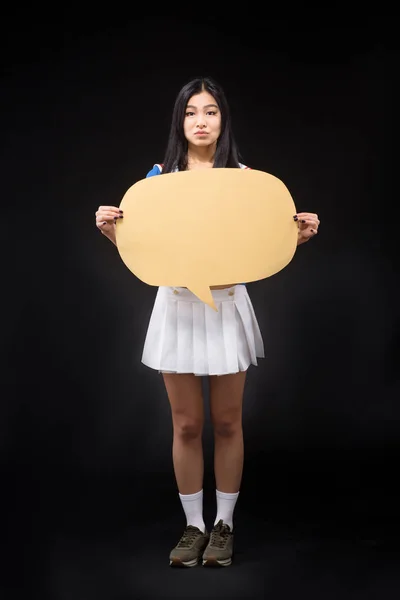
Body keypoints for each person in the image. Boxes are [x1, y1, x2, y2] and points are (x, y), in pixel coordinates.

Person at [95, 76, 320, 568]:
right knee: (186, 423)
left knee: (226, 421)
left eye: (211, 111)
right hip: (176, 307)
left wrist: (294, 237)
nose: (201, 120)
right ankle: (193, 525)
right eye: (192, 111)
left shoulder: (245, 182)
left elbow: (256, 250)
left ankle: (224, 525)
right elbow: (148, 252)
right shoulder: (157, 183)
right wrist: (112, 231)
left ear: (223, 120)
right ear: (180, 120)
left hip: (226, 307)